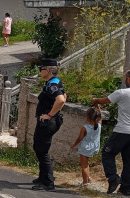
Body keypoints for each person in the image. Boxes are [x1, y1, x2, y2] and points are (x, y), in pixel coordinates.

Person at [91, 69, 130, 196]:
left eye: (126, 77)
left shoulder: (122, 93)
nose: (125, 80)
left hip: (122, 130)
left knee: (107, 153)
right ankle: (126, 189)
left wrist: (96, 100)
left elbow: (106, 100)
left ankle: (113, 177)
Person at [32, 58, 66, 191]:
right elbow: (64, 95)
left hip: (47, 122)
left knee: (42, 150)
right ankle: (42, 177)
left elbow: (61, 100)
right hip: (45, 121)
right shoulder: (53, 82)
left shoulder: (53, 84)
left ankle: (48, 182)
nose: (40, 71)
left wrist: (50, 115)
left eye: (41, 69)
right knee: (38, 147)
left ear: (48, 70)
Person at [70, 106, 102, 186]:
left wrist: (74, 144)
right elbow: (100, 116)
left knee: (84, 166)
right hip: (94, 147)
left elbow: (79, 139)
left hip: (85, 147)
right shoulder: (99, 125)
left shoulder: (85, 128)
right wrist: (98, 107)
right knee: (87, 164)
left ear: (88, 117)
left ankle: (85, 182)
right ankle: (88, 178)